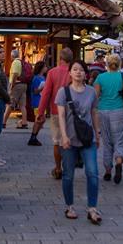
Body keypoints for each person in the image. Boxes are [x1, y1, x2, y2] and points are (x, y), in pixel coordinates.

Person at [55, 60, 101, 224]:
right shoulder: (63, 92)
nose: (78, 72)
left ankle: (92, 208)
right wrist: (64, 136)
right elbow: (60, 115)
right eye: (75, 69)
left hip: (87, 139)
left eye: (81, 70)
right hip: (69, 139)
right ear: (70, 73)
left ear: (85, 73)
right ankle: (69, 206)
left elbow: (94, 112)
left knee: (93, 173)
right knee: (68, 175)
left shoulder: (91, 92)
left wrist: (98, 133)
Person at [31, 47, 74, 178]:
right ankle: (68, 166)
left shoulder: (52, 73)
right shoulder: (75, 72)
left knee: (57, 141)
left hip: (56, 111)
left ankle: (58, 168)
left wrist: (41, 112)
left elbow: (46, 94)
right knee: (69, 140)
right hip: (72, 112)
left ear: (60, 58)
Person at [93, 54, 123, 184]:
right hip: (119, 110)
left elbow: (95, 95)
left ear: (107, 64)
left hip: (103, 111)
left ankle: (108, 171)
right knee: (119, 140)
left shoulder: (100, 77)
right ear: (119, 64)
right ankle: (119, 162)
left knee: (107, 141)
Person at [4, 50, 30, 129]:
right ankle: (24, 123)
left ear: (12, 56)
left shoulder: (15, 62)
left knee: (10, 104)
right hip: (24, 85)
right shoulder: (22, 62)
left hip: (17, 85)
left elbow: (15, 74)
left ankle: (3, 122)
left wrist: (12, 85)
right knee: (22, 105)